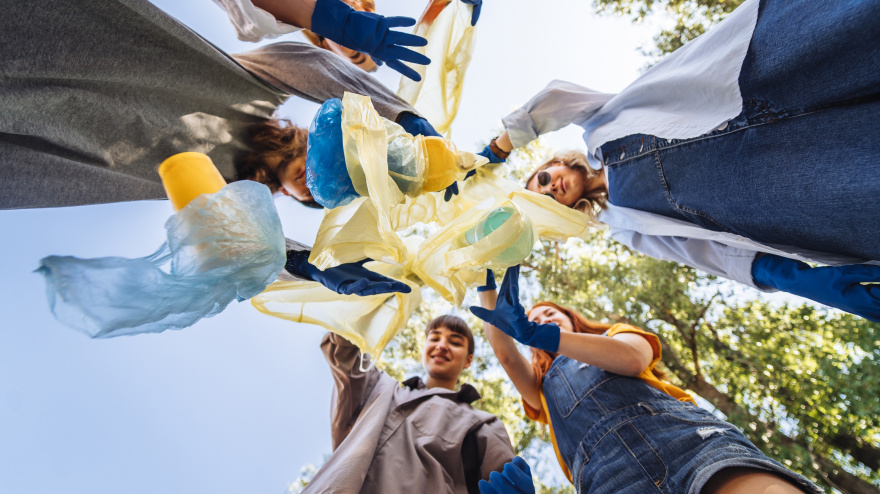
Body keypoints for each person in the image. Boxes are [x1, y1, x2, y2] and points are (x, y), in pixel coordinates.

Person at [476, 0, 880, 321]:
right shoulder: (623, 228)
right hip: (785, 186)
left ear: (556, 163)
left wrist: (500, 147)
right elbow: (703, 253)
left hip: (758, 72)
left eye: (544, 178)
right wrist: (790, 276)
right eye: (547, 199)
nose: (551, 188)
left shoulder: (598, 125)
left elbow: (556, 98)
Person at [471, 266, 822, 494]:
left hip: (686, 439)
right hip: (607, 480)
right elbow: (503, 350)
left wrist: (538, 333)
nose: (543, 318)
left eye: (550, 313)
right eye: (533, 318)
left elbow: (631, 357)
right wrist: (484, 278)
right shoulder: (539, 387)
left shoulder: (615, 334)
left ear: (571, 317)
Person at [306, 315, 515, 493]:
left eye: (455, 342)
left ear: (468, 360)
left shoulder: (481, 422)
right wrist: (360, 306)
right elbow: (344, 352)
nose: (442, 346)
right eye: (434, 338)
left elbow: (502, 478)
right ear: (423, 349)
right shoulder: (378, 388)